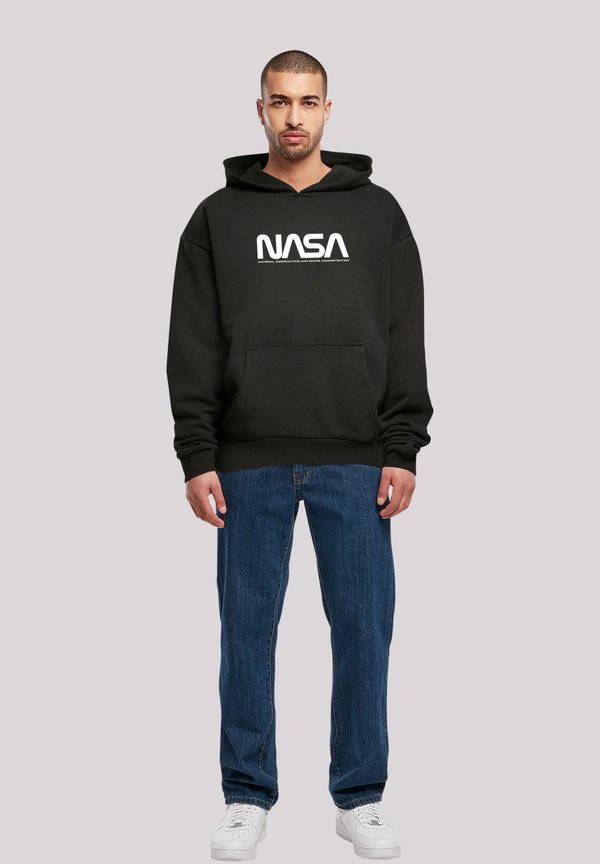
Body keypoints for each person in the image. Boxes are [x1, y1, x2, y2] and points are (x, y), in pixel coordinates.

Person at [166, 49, 434, 861]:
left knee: (363, 630)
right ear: (260, 109)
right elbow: (192, 342)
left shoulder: (378, 214)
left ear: (327, 109)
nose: (293, 117)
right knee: (247, 633)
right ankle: (246, 795)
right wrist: (197, 454)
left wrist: (403, 446)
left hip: (356, 456)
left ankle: (361, 796)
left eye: (307, 101)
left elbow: (405, 334)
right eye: (280, 101)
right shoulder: (217, 218)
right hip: (247, 459)